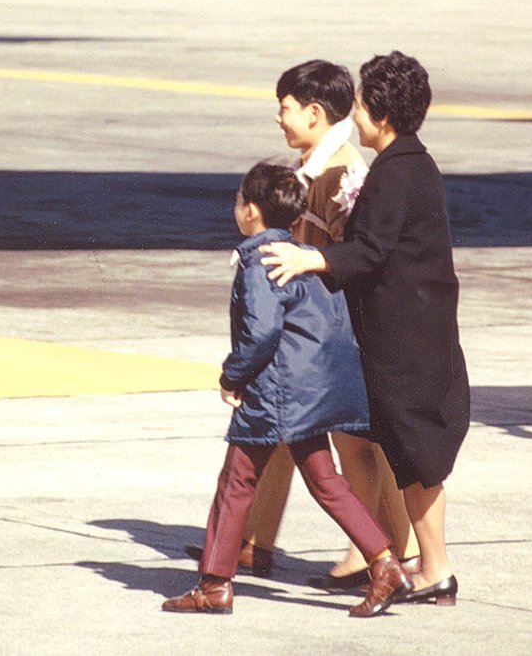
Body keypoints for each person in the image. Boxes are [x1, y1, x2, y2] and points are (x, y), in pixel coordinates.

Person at [263, 51, 469, 606]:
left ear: (380, 113)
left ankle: (434, 567)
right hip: (418, 333)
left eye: (358, 106)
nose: (354, 116)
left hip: (406, 341)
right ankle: (430, 566)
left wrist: (314, 261)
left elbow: (370, 251)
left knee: (416, 457)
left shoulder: (396, 173)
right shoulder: (411, 164)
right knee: (414, 457)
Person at [162, 163, 413, 617]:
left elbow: (260, 334)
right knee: (325, 479)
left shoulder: (260, 262)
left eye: (239, 200)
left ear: (251, 212)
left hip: (277, 392)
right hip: (311, 389)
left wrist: (232, 376)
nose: (236, 207)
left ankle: (215, 583)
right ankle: (385, 563)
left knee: (237, 479)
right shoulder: (301, 255)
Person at [237, 60, 419, 588]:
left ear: (315, 113)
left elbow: (358, 257)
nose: (278, 117)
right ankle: (253, 543)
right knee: (287, 428)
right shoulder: (319, 164)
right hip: (314, 324)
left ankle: (384, 551)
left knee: (356, 445)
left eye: (286, 108)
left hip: (338, 327)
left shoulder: (341, 174)